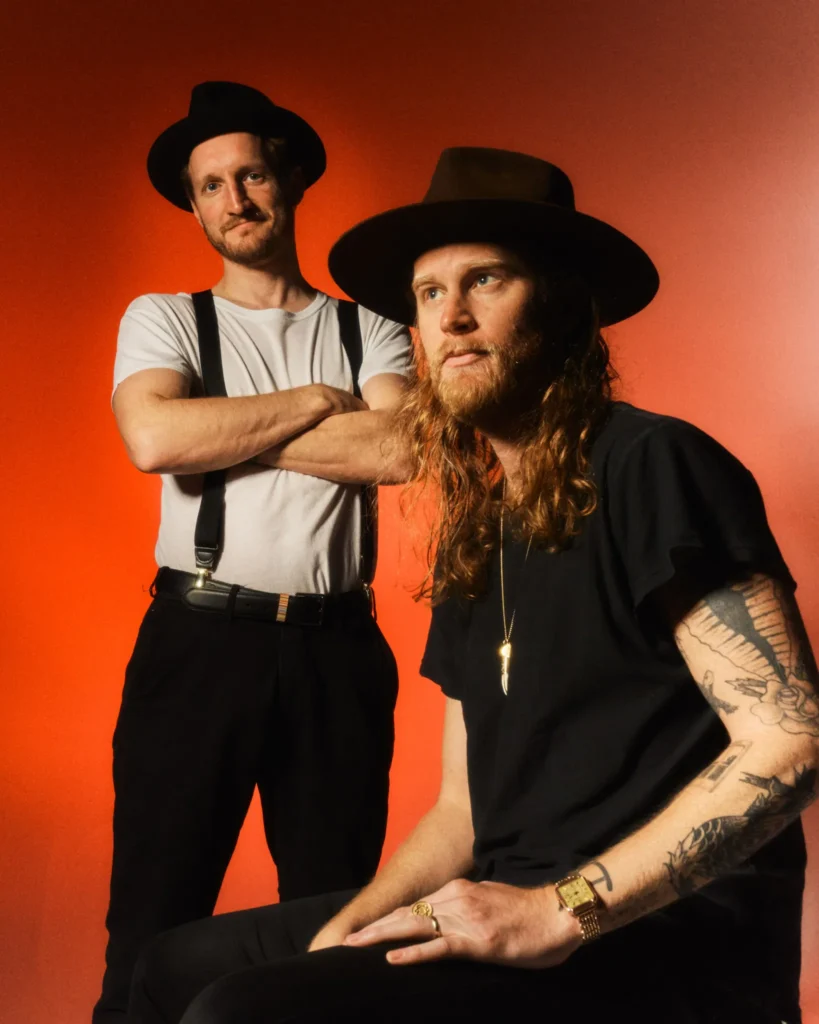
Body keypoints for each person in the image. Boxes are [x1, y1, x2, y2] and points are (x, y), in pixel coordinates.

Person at [127, 147, 817, 1024]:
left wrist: (557, 911)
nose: (449, 318)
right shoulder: (479, 529)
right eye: (428, 293)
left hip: (658, 935)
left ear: (561, 303)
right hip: (504, 897)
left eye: (485, 280)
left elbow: (788, 743)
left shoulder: (653, 464)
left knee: (241, 1013)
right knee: (174, 968)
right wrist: (351, 931)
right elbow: (460, 813)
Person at [94, 81, 411, 1023]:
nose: (234, 200)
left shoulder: (371, 326)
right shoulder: (163, 317)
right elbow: (154, 439)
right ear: (194, 207)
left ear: (292, 180)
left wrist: (218, 430)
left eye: (252, 176)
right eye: (211, 186)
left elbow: (401, 450)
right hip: (199, 643)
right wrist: (317, 402)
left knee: (336, 922)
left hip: (337, 652)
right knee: (149, 922)